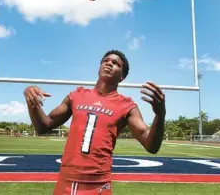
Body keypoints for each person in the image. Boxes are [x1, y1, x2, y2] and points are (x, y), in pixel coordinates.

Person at [24, 50, 166, 195]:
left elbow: (151, 146)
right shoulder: (77, 95)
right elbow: (43, 126)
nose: (109, 63)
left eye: (116, 63)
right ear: (99, 67)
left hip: (97, 185)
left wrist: (160, 116)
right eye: (106, 60)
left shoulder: (126, 105)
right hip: (65, 182)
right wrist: (31, 100)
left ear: (122, 76)